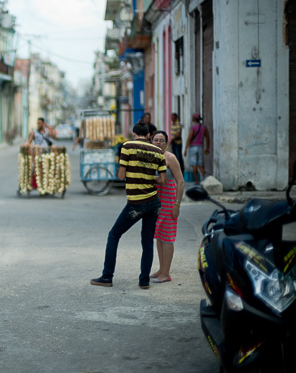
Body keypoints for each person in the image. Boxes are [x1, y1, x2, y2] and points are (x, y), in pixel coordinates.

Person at [90, 121, 167, 290]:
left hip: (136, 203)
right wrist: (148, 177)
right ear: (148, 136)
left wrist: (130, 171)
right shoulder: (158, 152)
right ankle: (144, 281)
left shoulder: (127, 146)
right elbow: (162, 180)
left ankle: (107, 276)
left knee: (113, 235)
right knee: (147, 241)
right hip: (154, 202)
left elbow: (121, 175)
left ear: (133, 134)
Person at [150, 130, 185, 284]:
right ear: (151, 141)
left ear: (166, 143)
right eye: (156, 140)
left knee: (167, 237)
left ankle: (166, 273)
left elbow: (181, 182)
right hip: (155, 201)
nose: (158, 142)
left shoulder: (170, 158)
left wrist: (177, 204)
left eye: (162, 140)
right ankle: (161, 269)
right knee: (158, 236)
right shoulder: (151, 157)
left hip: (169, 200)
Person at [184, 113, 210, 184]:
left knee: (194, 164)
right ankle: (204, 180)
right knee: (201, 164)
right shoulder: (204, 127)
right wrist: (207, 147)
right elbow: (207, 138)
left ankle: (197, 181)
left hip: (193, 147)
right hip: (200, 147)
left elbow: (189, 138)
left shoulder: (193, 128)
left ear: (194, 119)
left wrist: (186, 149)